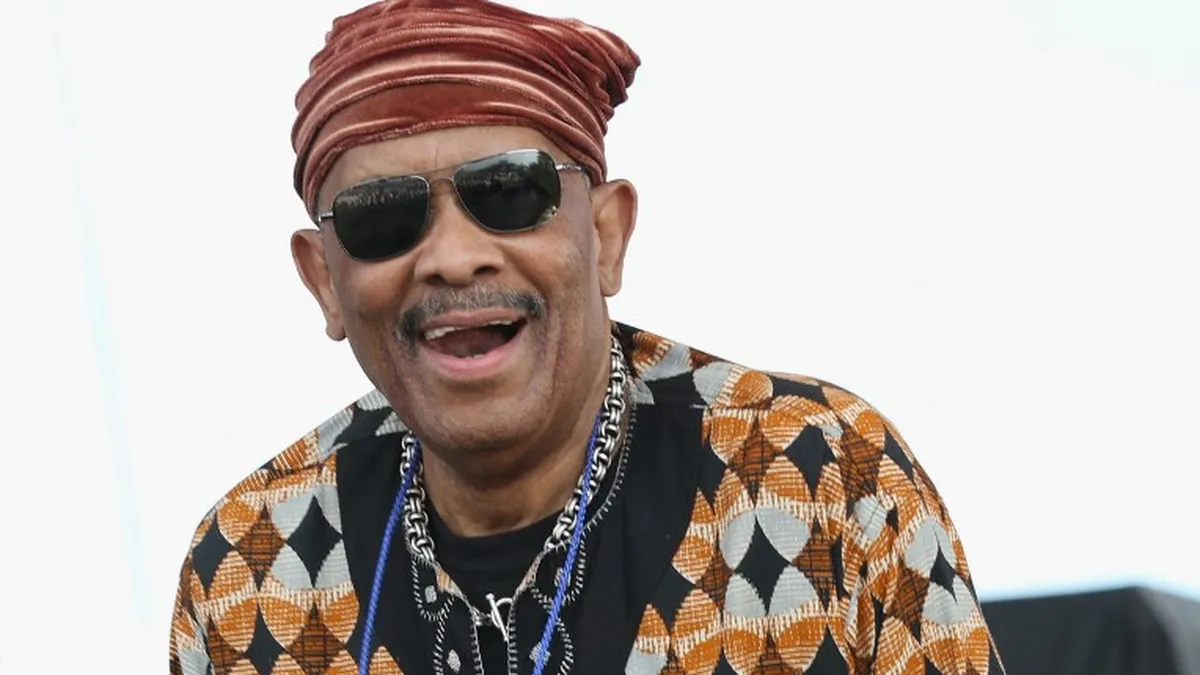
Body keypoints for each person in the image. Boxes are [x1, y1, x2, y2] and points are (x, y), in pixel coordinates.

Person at [168, 1, 1006, 673]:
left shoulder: (820, 477)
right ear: (324, 280)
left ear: (606, 235)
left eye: (507, 191)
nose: (453, 257)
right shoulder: (250, 563)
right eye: (383, 216)